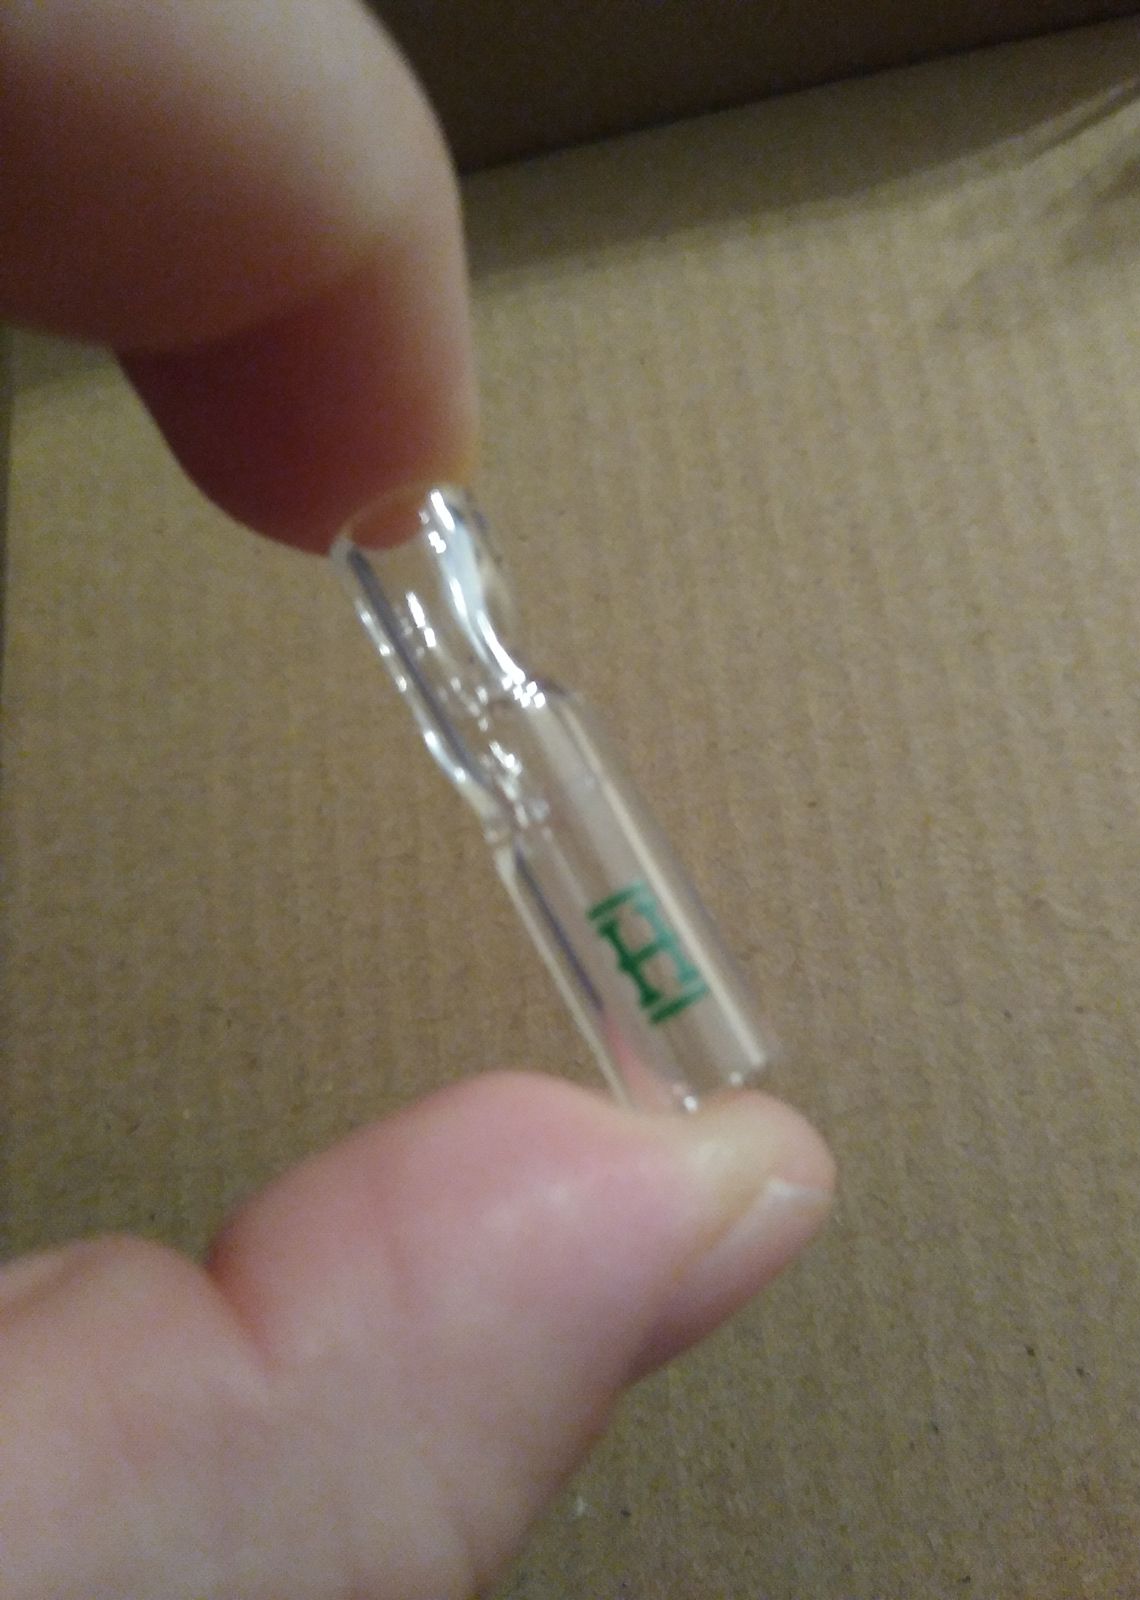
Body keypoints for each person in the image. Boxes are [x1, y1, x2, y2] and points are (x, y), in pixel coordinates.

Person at [0, 4, 836, 1595]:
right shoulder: (489, 716)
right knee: (520, 765)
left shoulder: (521, 718)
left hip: (593, 873)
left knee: (528, 751)